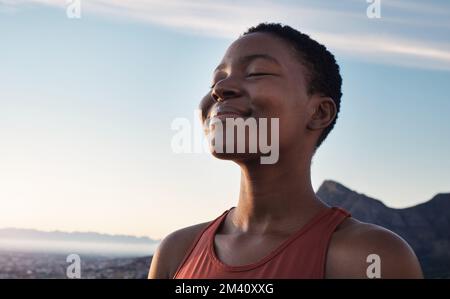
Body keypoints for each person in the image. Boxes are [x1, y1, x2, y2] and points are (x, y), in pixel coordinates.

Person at [148, 23, 423, 279]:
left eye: (257, 72)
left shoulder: (370, 257)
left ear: (318, 112)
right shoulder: (176, 251)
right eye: (216, 80)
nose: (220, 89)